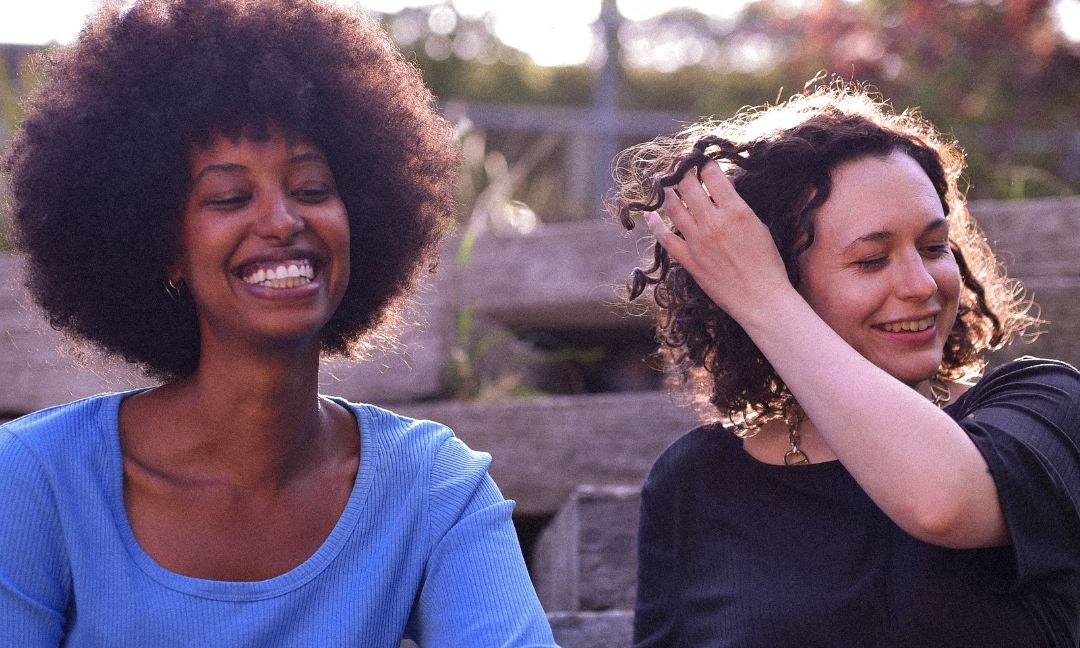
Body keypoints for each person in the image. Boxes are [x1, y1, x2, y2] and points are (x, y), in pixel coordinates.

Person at [0, 1, 558, 645]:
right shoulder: (38, 481)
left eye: (312, 189)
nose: (283, 221)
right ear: (163, 244)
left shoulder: (431, 486)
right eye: (230, 197)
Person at [609, 79, 1080, 647]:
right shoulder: (693, 481)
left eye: (934, 247)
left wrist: (766, 302)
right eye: (872, 260)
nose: (921, 284)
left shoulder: (1045, 409)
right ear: (779, 275)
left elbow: (942, 504)